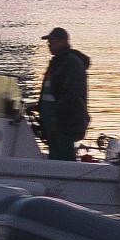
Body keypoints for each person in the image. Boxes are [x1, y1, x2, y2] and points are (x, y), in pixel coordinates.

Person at [36, 27, 90, 161]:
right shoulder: (56, 62)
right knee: (56, 153)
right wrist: (38, 107)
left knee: (63, 155)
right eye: (49, 42)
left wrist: (57, 115)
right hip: (52, 122)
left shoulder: (71, 63)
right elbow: (52, 91)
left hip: (63, 122)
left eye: (52, 41)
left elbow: (71, 94)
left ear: (63, 42)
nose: (49, 45)